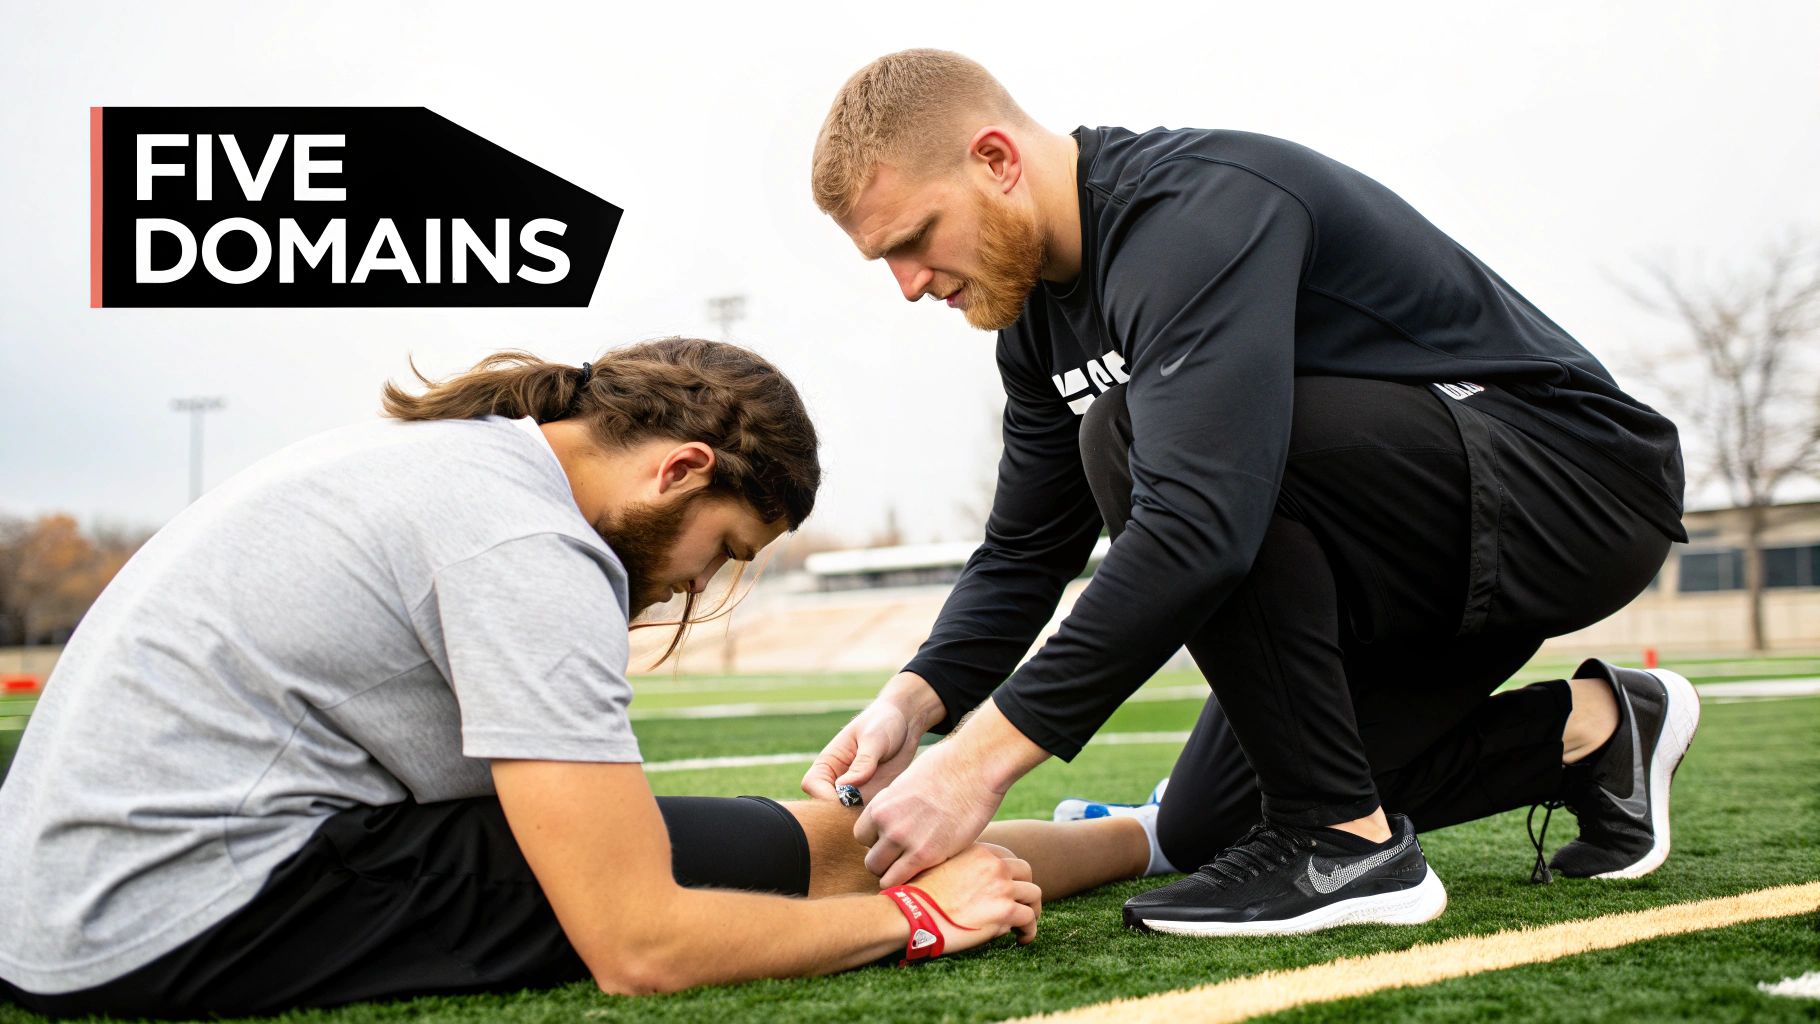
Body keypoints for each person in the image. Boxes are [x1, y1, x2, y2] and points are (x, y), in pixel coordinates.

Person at [801, 50, 1700, 937]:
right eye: (886, 259)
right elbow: (1025, 550)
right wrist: (912, 702)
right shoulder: (1034, 326)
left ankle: (1345, 849)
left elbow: (1201, 520)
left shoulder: (1190, 214)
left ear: (996, 161)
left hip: (1579, 487)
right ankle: (1598, 733)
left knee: (1128, 431)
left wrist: (976, 766)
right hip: (1411, 552)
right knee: (1211, 827)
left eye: (915, 238)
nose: (910, 284)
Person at [0, 338, 1162, 1018]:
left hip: (82, 888)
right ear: (681, 468)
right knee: (806, 864)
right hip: (168, 911)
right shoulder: (526, 541)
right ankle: (1157, 833)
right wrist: (912, 919)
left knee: (795, 841)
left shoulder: (460, 464)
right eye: (725, 549)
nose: (694, 588)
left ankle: (1143, 834)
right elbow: (640, 944)